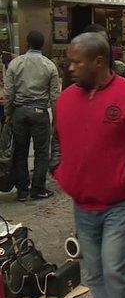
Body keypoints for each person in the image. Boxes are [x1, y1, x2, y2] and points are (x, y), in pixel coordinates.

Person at [51, 32, 125, 298]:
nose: (69, 68)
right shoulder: (65, 99)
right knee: (95, 275)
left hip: (123, 204)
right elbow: (56, 140)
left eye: (76, 62)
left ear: (99, 62)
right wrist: (59, 168)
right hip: (83, 204)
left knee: (117, 272)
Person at [4, 30, 60, 201]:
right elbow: (55, 96)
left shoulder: (15, 63)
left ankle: (22, 191)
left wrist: (8, 113)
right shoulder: (49, 65)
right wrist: (56, 118)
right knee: (42, 152)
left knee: (20, 151)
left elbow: (9, 92)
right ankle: (38, 189)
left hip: (19, 111)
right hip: (40, 111)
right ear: (42, 45)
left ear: (26, 43)